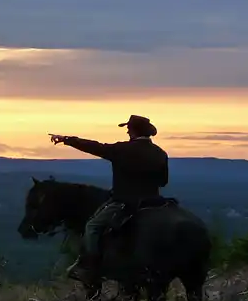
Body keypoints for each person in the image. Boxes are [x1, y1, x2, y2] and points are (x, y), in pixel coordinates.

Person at [49, 115, 169, 282]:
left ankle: (90, 267)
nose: (127, 130)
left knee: (92, 227)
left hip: (126, 201)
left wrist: (68, 140)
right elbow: (163, 182)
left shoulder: (122, 149)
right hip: (154, 202)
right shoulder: (160, 153)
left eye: (129, 128)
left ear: (133, 131)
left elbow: (95, 147)